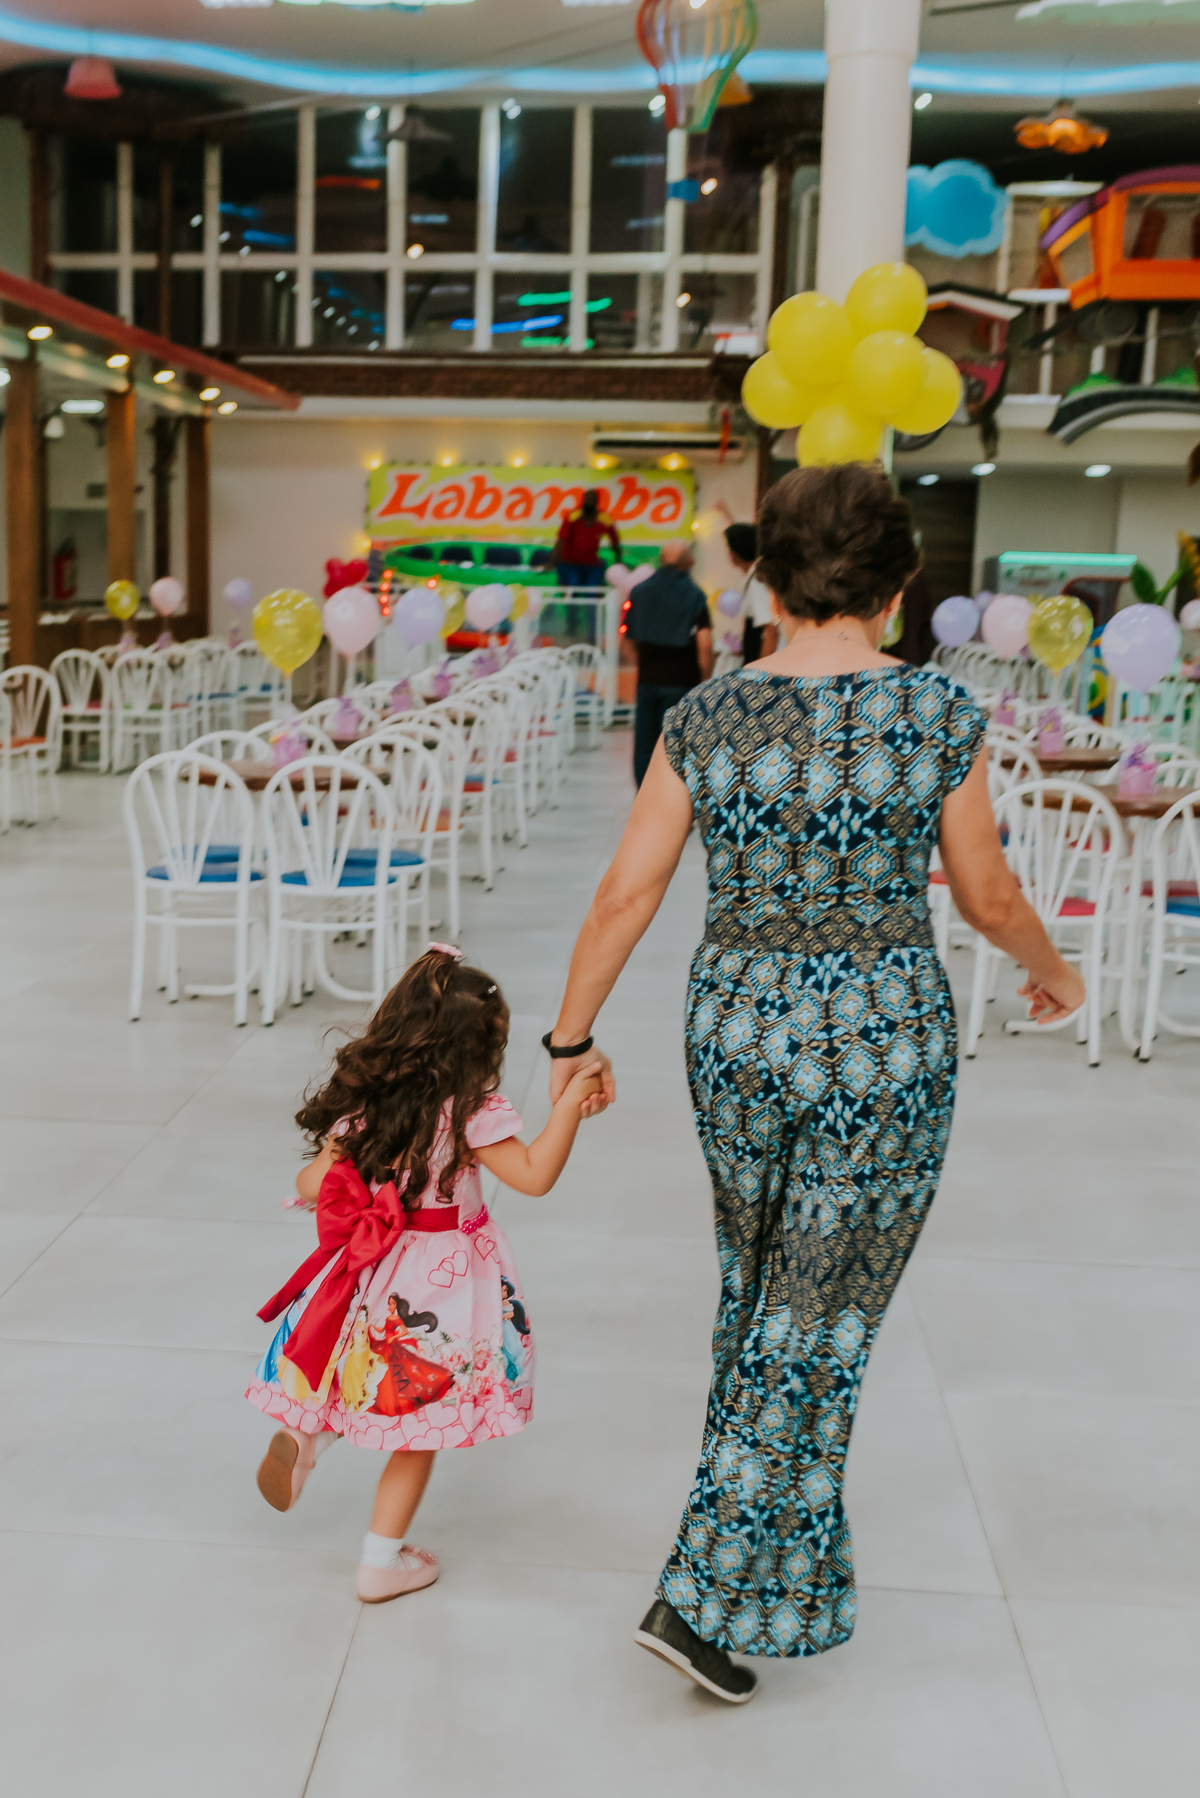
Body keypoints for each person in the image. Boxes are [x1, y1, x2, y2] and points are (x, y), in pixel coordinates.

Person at [542, 462, 1085, 1702]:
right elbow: (987, 895)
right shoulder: (938, 715)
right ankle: (703, 1594)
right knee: (818, 1316)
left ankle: (758, 1585)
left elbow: (627, 892)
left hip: (733, 1026)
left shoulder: (704, 719)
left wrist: (570, 1040)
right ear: (898, 587)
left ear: (763, 579)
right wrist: (1054, 974)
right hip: (878, 1037)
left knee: (767, 1294)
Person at [247, 943, 606, 1605]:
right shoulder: (470, 1112)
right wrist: (567, 1109)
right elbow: (533, 1177)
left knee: (358, 1372)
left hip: (366, 1272)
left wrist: (350, 1186)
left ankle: (304, 1441)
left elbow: (313, 1181)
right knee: (417, 1422)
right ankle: (382, 1562)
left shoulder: (365, 1108)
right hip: (437, 1287)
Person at [625, 539, 714, 786]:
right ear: (688, 563)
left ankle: (644, 791)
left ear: (661, 561)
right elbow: (704, 643)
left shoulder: (639, 591)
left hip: (647, 679)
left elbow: (627, 636)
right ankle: (672, 793)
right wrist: (705, 678)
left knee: (645, 742)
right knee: (676, 742)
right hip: (682, 681)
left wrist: (640, 664)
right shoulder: (695, 595)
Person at [724, 521, 777, 665]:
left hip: (760, 665)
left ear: (733, 554)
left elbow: (771, 630)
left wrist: (760, 674)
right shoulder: (757, 576)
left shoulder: (757, 581)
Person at [554, 489, 621, 588]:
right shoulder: (573, 516)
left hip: (592, 564)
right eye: (587, 499)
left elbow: (615, 542)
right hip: (570, 563)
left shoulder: (604, 518)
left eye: (593, 499)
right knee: (573, 586)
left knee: (592, 592)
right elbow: (561, 540)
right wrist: (552, 561)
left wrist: (618, 563)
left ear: (597, 502)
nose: (590, 502)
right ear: (583, 501)